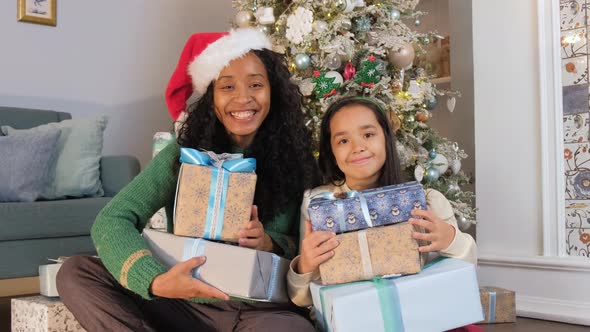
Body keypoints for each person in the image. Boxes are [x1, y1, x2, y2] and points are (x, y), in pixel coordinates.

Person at [56, 28, 319, 332]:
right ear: (212, 96)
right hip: (183, 304)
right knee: (76, 273)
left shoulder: (299, 160)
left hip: (258, 312)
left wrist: (269, 242)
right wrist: (155, 279)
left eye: (256, 84)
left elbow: (305, 251)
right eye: (228, 86)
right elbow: (112, 219)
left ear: (273, 91)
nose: (243, 98)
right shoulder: (183, 154)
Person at [287, 96, 477, 307]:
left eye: (368, 134)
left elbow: (467, 269)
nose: (358, 147)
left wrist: (451, 239)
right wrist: (304, 267)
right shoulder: (318, 205)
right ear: (331, 152)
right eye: (343, 140)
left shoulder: (427, 201)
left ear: (386, 139)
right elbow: (300, 299)